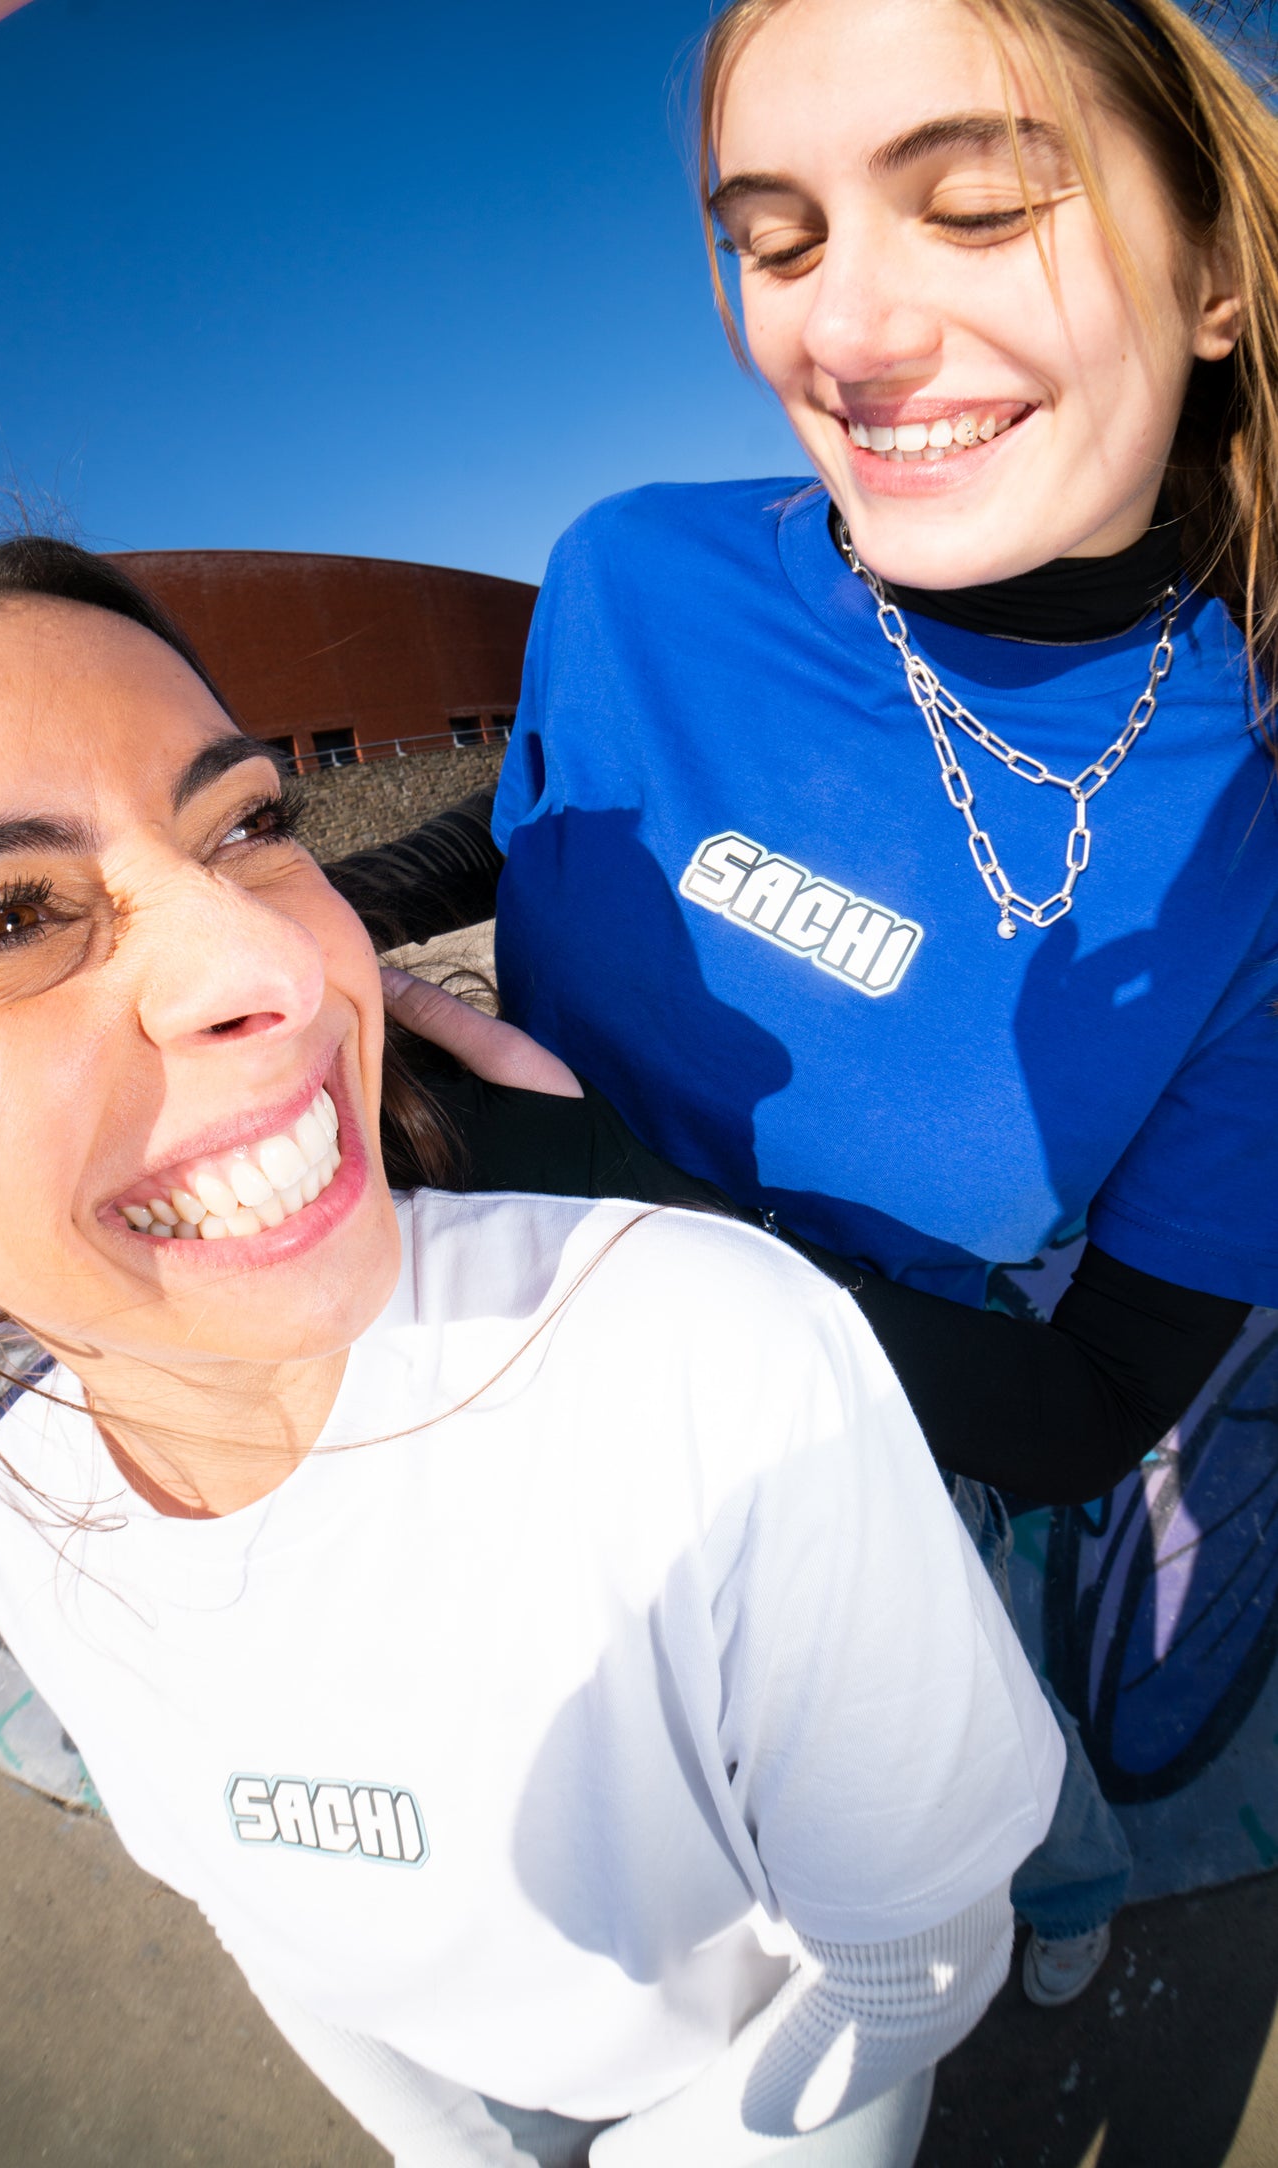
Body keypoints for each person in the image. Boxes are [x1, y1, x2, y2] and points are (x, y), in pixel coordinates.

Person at [0, 537, 1062, 2168]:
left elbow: (912, 1959)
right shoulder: (27, 1514)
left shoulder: (710, 1360)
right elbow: (264, 1923)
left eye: (249, 825)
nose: (276, 963)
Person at [328, 0, 1278, 2009]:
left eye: (978, 203)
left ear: (1211, 270)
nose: (842, 335)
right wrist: (287, 913)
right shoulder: (632, 577)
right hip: (470, 1363)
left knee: (972, 1771)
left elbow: (1094, 1404)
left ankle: (1067, 1879)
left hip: (901, 1431)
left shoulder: (1249, 832)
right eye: (777, 238)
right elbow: (540, 827)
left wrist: (588, 1188)